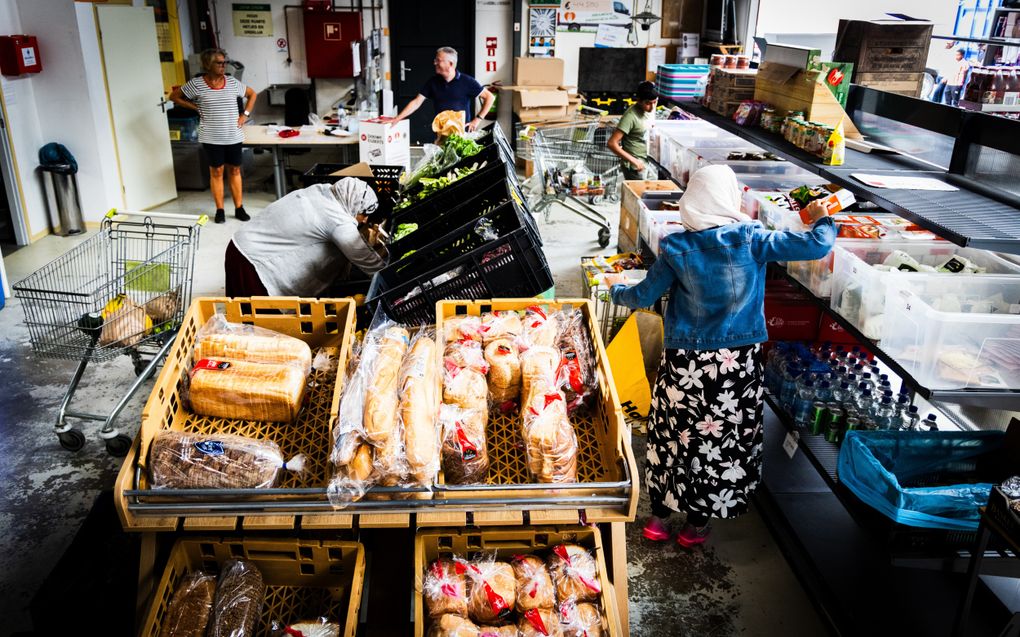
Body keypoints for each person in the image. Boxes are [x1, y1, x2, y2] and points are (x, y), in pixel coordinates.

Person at [603, 165, 835, 547]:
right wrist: (823, 217)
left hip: (685, 365)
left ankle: (658, 518)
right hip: (735, 369)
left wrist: (615, 290)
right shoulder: (751, 239)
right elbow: (817, 245)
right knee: (717, 444)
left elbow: (642, 295)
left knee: (674, 435)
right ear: (728, 197)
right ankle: (695, 525)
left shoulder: (676, 248)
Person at [225, 178, 386, 297]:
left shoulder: (322, 190)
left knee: (240, 315)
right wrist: (390, 278)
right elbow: (367, 261)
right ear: (354, 205)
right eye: (364, 214)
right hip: (252, 264)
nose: (365, 220)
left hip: (237, 244)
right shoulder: (338, 221)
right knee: (257, 324)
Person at [169, 48, 257, 224]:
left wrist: (245, 115)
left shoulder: (232, 82)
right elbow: (174, 96)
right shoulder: (196, 84)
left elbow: (252, 94)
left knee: (235, 170)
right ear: (208, 64)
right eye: (219, 63)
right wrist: (195, 107)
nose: (223, 66)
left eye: (225, 63)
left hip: (233, 135)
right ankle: (220, 210)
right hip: (211, 136)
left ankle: (239, 208)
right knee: (216, 172)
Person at [390, 47, 495, 132]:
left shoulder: (467, 81)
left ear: (450, 64)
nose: (435, 63)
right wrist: (397, 118)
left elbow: (490, 97)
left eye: (438, 60)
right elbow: (416, 102)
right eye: (435, 60)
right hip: (441, 133)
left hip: (462, 134)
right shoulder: (433, 82)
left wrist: (477, 119)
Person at [607, 81, 658, 180]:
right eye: (648, 103)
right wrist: (634, 161)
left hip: (648, 161)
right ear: (639, 100)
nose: (652, 107)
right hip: (636, 166)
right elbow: (611, 143)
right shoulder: (630, 116)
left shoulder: (650, 107)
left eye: (654, 102)